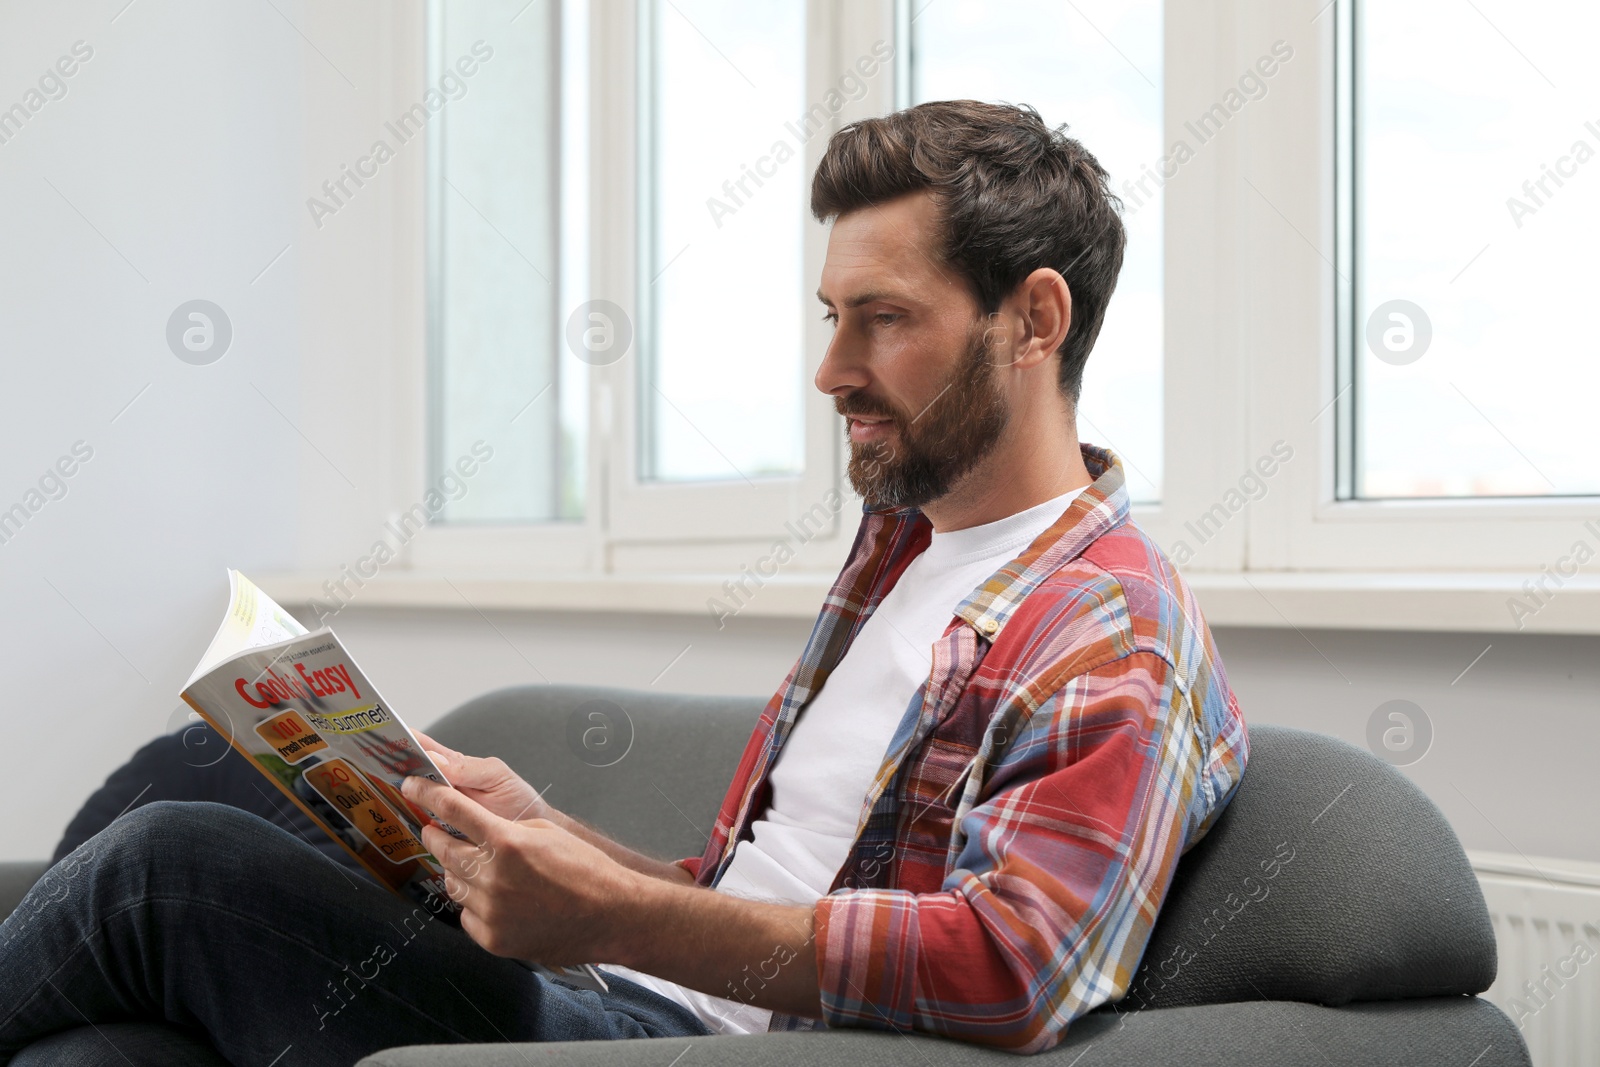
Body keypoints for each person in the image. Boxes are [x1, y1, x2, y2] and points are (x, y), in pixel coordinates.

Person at [0, 100, 1246, 1064]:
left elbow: (1019, 962)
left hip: (690, 1048)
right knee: (139, 963)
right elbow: (751, 901)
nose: (831, 370)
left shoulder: (1109, 626)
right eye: (830, 314)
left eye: (883, 318)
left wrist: (608, 919)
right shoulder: (903, 553)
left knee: (163, 866)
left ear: (1033, 321)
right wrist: (560, 839)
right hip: (637, 992)